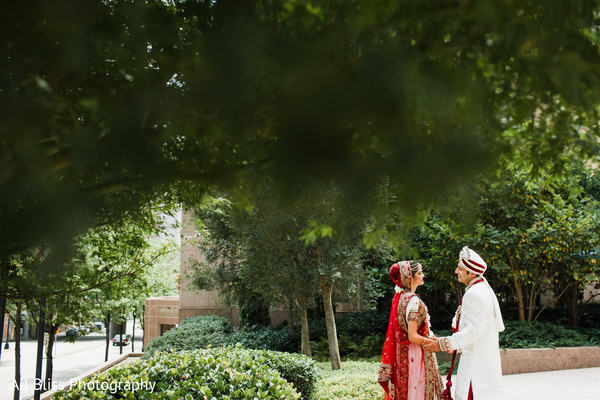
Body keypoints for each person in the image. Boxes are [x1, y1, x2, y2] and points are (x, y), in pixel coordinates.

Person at [424, 246, 505, 400]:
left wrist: (444, 344)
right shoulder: (482, 289)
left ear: (472, 272)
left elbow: (474, 331)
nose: (456, 271)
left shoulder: (474, 293)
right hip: (482, 363)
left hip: (475, 369)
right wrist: (455, 346)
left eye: (460, 269)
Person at [378, 260, 444, 400]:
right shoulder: (413, 300)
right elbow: (413, 336)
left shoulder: (400, 298)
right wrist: (434, 344)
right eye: (420, 273)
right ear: (409, 277)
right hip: (415, 354)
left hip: (403, 354)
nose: (423, 275)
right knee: (418, 391)